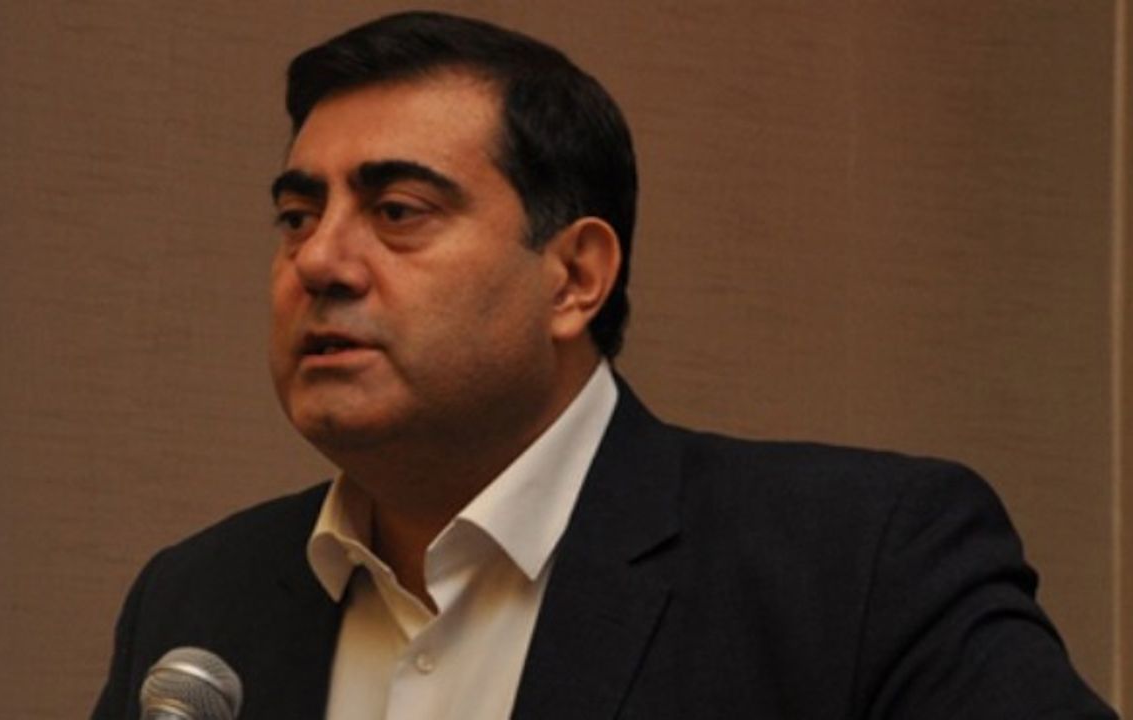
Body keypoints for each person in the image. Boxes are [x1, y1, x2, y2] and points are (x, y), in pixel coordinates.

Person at [92, 11, 1117, 719]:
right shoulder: (198, 604)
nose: (318, 261)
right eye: (295, 216)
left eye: (397, 211)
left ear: (574, 277)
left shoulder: (855, 567)